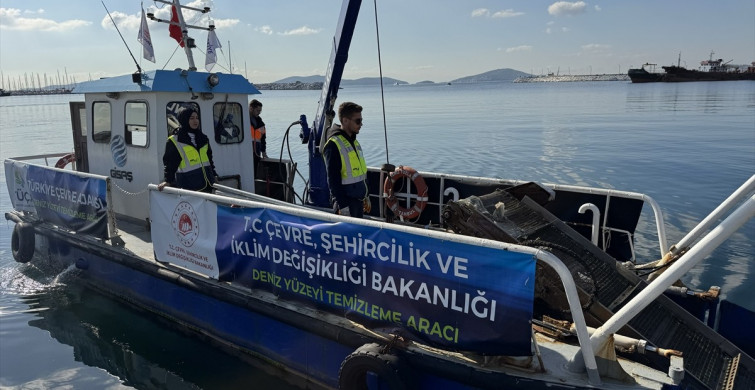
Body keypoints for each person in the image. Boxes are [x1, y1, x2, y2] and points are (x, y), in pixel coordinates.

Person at [323, 102, 369, 218]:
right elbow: (333, 180)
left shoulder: (354, 142)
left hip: (358, 202)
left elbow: (360, 173)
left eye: (361, 120)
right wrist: (342, 206)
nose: (361, 124)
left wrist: (365, 196)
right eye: (357, 121)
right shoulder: (334, 144)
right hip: (346, 204)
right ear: (345, 121)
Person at [158, 107, 218, 193]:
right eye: (192, 118)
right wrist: (168, 181)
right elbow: (170, 164)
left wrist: (214, 175)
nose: (195, 121)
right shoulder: (175, 140)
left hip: (208, 185)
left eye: (197, 118)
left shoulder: (203, 138)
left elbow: (209, 160)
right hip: (189, 187)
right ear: (184, 119)